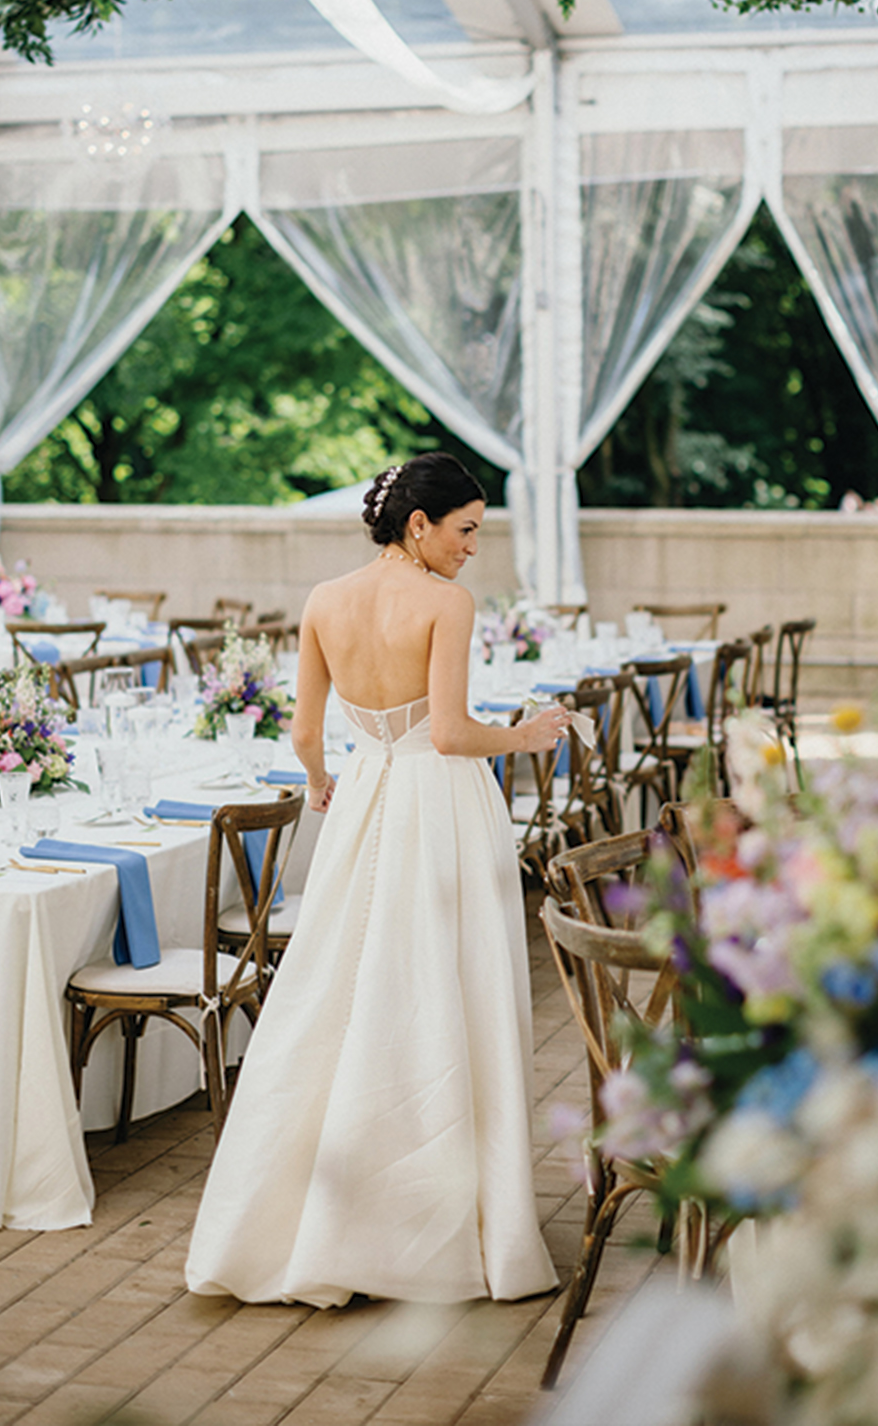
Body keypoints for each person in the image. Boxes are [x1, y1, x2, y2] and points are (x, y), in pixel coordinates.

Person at [184, 452, 567, 1307]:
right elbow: (454, 734)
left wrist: (322, 782)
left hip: (362, 798)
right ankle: (431, 1221)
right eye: (466, 530)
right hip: (440, 808)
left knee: (339, 991)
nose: (474, 548)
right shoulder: (446, 604)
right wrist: (531, 735)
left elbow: (305, 733)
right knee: (440, 986)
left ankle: (295, 1222)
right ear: (419, 524)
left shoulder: (324, 601)